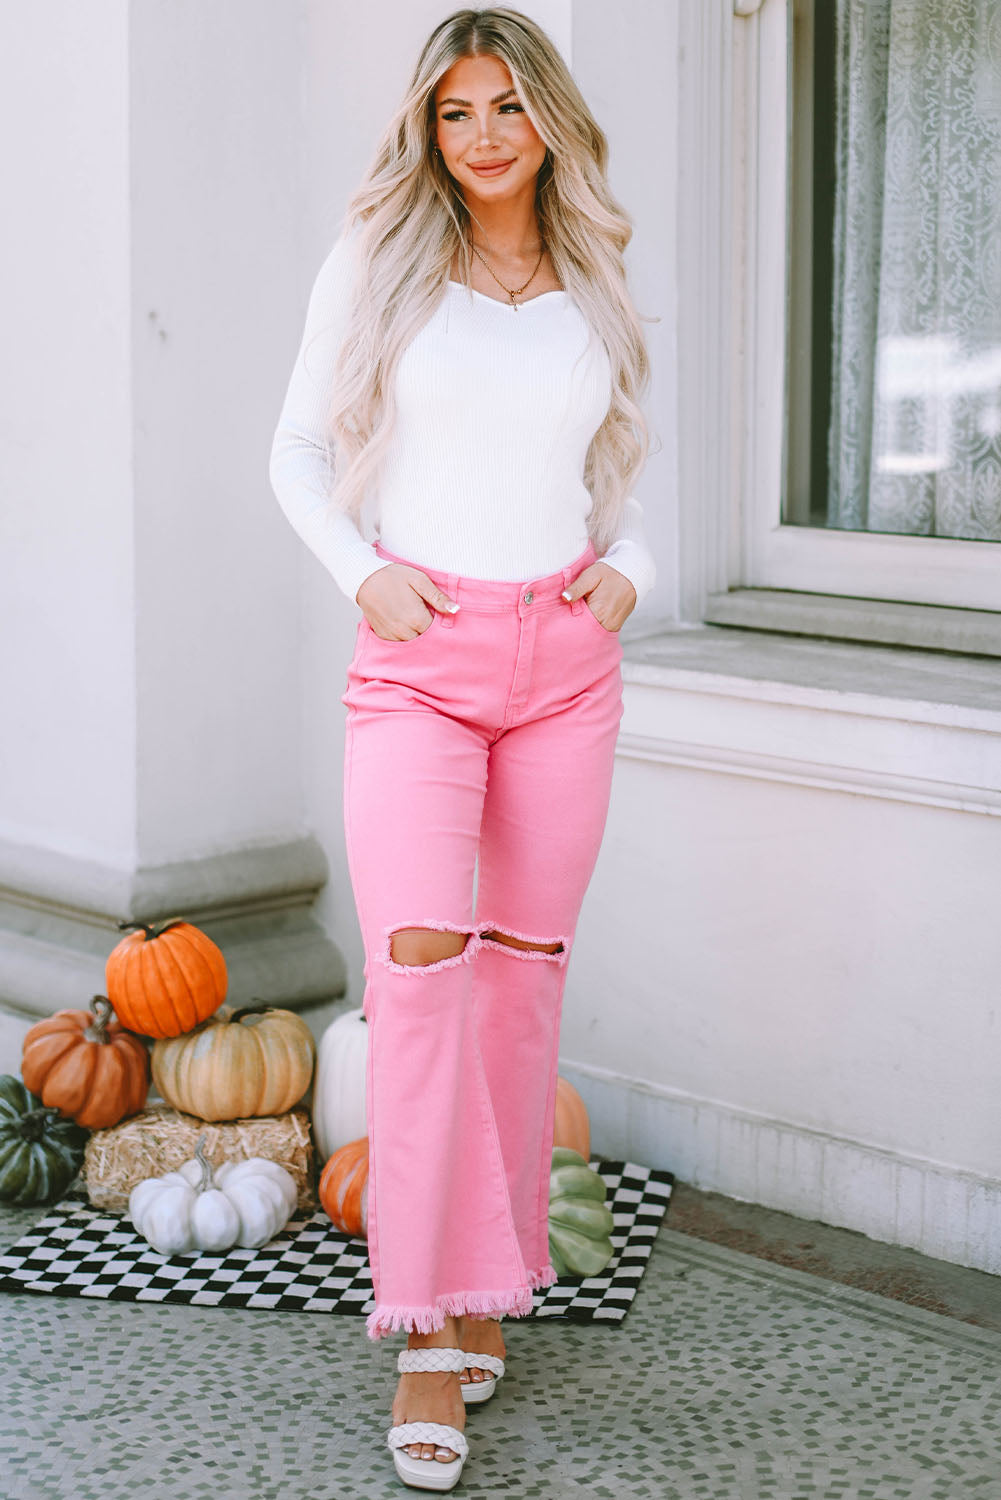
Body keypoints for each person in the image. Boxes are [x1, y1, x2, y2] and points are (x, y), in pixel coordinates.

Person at [269, 7, 656, 1491]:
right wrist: (361, 572)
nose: (484, 135)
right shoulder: (379, 258)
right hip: (419, 662)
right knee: (421, 980)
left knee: (518, 987)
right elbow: (297, 452)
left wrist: (634, 569)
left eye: (506, 105)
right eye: (455, 111)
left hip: (564, 665)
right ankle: (426, 1328)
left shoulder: (595, 270)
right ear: (426, 129)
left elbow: (615, 468)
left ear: (547, 117)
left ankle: (489, 1277)